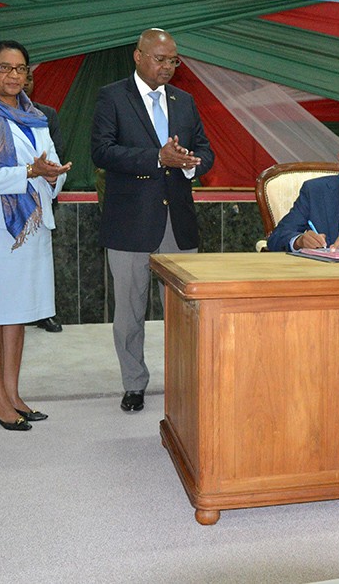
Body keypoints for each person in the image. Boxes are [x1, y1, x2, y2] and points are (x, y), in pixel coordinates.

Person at [91, 28, 215, 414]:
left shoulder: (185, 100)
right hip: (130, 222)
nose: (168, 67)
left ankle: (183, 380)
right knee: (129, 312)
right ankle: (134, 383)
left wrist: (192, 164)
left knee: (183, 310)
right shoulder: (112, 96)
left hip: (177, 222)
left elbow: (205, 149)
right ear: (138, 56)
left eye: (173, 60)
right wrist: (158, 159)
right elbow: (102, 151)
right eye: (160, 59)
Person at [0, 40, 71, 431]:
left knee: (16, 314)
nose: (13, 76)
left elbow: (51, 163)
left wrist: (54, 175)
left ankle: (13, 393)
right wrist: (28, 173)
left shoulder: (36, 115)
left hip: (32, 223)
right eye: (4, 68)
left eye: (20, 69)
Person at [23, 69, 64, 334]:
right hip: (6, 197)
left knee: (40, 263)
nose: (24, 82)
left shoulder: (45, 114)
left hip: (41, 196)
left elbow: (57, 154)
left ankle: (43, 312)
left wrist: (53, 175)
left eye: (28, 76)